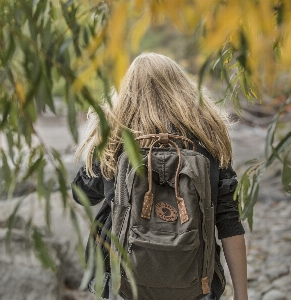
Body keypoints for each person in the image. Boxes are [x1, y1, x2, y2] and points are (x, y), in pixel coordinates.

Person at [72, 52, 248, 300]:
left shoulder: (115, 141)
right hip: (195, 280)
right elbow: (229, 220)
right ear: (183, 88)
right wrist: (242, 295)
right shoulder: (208, 140)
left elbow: (83, 195)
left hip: (123, 284)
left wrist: (99, 139)